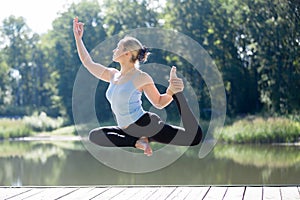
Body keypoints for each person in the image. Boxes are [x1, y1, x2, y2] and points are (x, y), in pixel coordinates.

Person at [73, 17, 203, 156]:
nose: (114, 50)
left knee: (194, 138)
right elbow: (88, 63)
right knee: (95, 135)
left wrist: (172, 91)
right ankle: (137, 142)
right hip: (127, 131)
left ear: (127, 53)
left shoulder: (141, 77)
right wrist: (78, 39)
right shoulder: (112, 74)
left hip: (146, 125)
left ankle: (178, 95)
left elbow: (159, 102)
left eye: (118, 48)